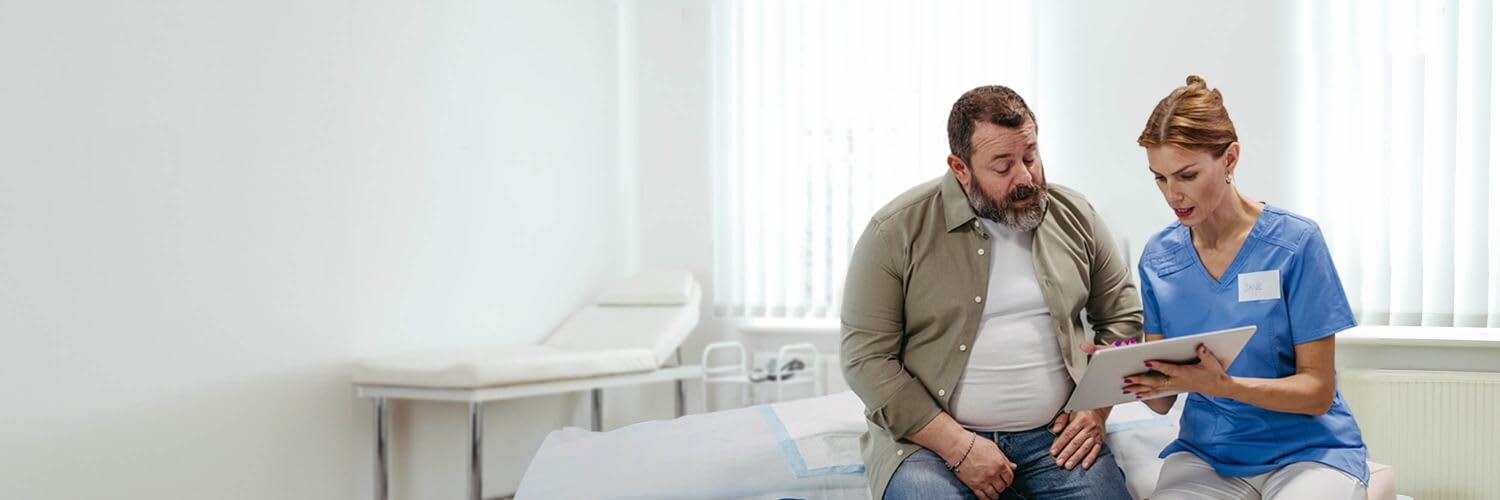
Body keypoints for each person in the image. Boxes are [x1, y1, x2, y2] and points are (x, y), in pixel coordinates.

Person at [841, 84, 1140, 500]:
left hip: (1056, 439)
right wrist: (958, 446)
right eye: (1002, 167)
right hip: (931, 445)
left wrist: (1098, 405)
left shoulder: (1077, 216)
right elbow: (865, 359)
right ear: (960, 168)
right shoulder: (894, 231)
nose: (1025, 178)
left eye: (1031, 157)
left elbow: (1125, 322)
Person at [1117, 75, 1369, 499]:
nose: (1172, 194)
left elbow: (1317, 392)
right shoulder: (1158, 258)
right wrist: (1121, 368)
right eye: (1159, 178)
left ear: (1230, 158)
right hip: (1207, 457)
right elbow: (1162, 400)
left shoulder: (1295, 244)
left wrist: (1225, 387)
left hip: (1309, 453)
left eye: (1187, 175)